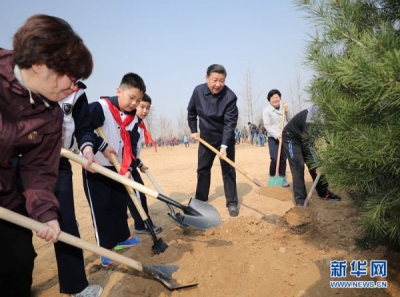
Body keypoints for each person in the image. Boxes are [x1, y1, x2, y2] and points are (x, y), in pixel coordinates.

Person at [0, 14, 93, 297]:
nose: (74, 88)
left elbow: (38, 170)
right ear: (41, 64)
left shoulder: (51, 116)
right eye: (73, 78)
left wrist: (45, 213)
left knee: (18, 262)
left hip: (5, 195)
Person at [54, 85, 114, 296]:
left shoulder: (77, 92)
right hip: (17, 160)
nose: (71, 82)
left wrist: (87, 148)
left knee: (65, 222)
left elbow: (83, 127)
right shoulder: (24, 79)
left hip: (60, 161)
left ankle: (76, 286)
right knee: (17, 237)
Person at [82, 72, 145, 267]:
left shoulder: (132, 119)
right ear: (119, 91)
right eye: (131, 98)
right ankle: (105, 249)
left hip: (118, 168)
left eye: (139, 100)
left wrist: (128, 167)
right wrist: (96, 146)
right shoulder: (100, 108)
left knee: (119, 205)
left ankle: (122, 238)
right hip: (97, 168)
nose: (134, 103)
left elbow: (131, 146)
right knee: (101, 209)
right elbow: (84, 128)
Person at [187, 64, 239, 217]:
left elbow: (230, 123)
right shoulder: (198, 91)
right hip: (206, 140)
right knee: (202, 170)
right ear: (206, 78)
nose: (218, 84)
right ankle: (201, 202)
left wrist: (224, 146)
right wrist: (193, 130)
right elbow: (191, 112)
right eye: (214, 80)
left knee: (228, 170)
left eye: (221, 80)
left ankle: (232, 203)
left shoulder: (230, 96)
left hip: (225, 139)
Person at [282, 105, 341, 206]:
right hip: (291, 138)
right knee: (298, 166)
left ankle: (324, 193)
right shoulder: (312, 116)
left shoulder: (333, 111)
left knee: (315, 164)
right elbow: (308, 145)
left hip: (306, 138)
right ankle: (301, 201)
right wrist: (317, 162)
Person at [126, 93, 162, 235]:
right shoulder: (130, 123)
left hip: (132, 164)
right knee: (138, 195)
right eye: (142, 107)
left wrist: (139, 163)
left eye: (148, 108)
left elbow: (134, 150)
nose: (145, 111)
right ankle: (143, 224)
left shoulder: (139, 124)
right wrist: (131, 165)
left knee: (135, 195)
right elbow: (126, 148)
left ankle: (141, 224)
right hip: (125, 166)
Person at [263, 89, 292, 187]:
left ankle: (281, 179)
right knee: (275, 158)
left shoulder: (283, 109)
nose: (275, 99)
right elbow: (267, 126)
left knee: (283, 158)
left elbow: (290, 119)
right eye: (273, 98)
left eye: (277, 97)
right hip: (273, 138)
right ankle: (272, 179)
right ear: (269, 99)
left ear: (279, 98)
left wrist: (287, 109)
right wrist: (277, 135)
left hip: (284, 137)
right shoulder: (266, 111)